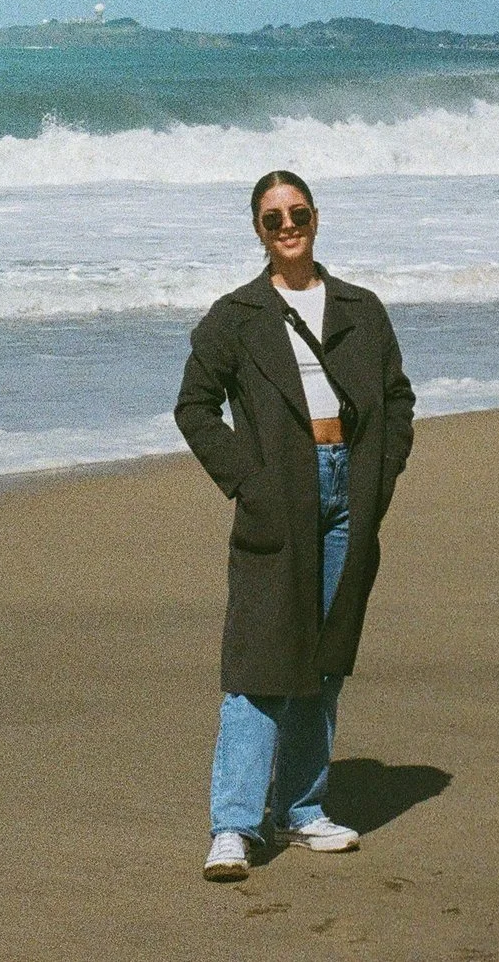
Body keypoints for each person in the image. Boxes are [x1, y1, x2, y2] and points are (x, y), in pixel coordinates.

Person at [174, 170, 416, 883]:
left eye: (298, 213)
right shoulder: (236, 316)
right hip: (277, 495)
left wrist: (381, 474)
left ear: (316, 219)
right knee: (259, 661)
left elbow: (398, 399)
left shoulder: (361, 310)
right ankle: (235, 826)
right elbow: (194, 406)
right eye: (273, 218)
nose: (288, 227)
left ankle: (304, 810)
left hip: (351, 491)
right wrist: (249, 481)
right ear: (258, 231)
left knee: (325, 655)